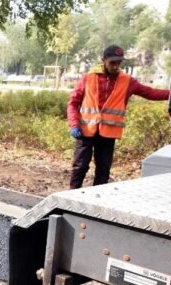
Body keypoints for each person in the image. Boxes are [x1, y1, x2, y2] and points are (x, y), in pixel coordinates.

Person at [67, 44, 169, 189]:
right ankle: (71, 195)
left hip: (108, 134)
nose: (116, 66)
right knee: (80, 167)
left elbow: (150, 93)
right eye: (112, 62)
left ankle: (98, 200)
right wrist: (74, 124)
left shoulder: (128, 81)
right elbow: (73, 103)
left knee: (103, 172)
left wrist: (169, 94)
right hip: (85, 132)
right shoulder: (88, 78)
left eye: (119, 63)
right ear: (104, 60)